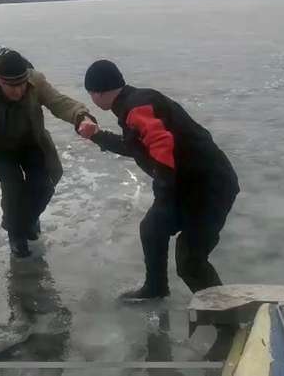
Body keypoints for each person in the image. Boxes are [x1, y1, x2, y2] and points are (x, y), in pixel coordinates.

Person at [77, 59, 240, 302]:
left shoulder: (136, 109)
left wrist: (163, 196)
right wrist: (98, 136)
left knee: (190, 261)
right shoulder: (135, 103)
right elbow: (137, 146)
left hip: (209, 188)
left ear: (96, 93)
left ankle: (227, 317)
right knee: (152, 228)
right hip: (188, 184)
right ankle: (156, 288)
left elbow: (162, 144)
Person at [0, 49, 97, 258]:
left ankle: (26, 221)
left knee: (44, 186)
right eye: (11, 86)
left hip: (30, 142)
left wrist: (81, 117)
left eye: (21, 84)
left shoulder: (35, 81)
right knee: (13, 187)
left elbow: (59, 102)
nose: (18, 91)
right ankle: (16, 235)